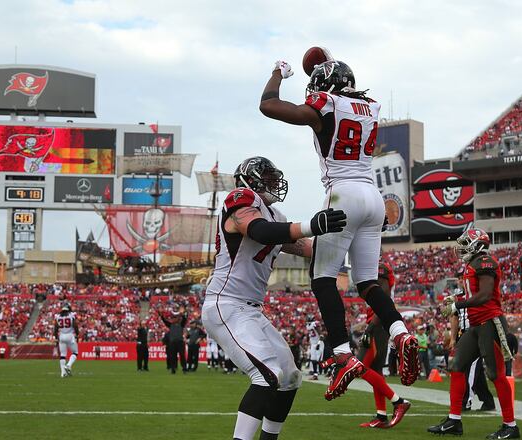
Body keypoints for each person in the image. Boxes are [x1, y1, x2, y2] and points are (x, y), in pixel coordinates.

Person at [259, 55, 419, 400]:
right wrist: (330, 65)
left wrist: (278, 73)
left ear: (327, 87)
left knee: (322, 278)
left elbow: (268, 105)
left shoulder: (326, 103)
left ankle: (343, 355)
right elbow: (342, 90)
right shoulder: (370, 106)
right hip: (373, 197)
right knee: (367, 282)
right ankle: (401, 332)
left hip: (342, 195)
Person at [201, 156, 347, 440]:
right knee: (267, 374)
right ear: (249, 179)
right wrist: (310, 225)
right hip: (226, 303)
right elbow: (259, 230)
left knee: (290, 378)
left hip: (252, 310)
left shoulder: (276, 216)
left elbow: (310, 248)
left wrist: (356, 236)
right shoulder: (240, 199)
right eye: (266, 178)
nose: (272, 183)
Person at [428, 228, 518, 439]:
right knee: (457, 366)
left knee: (496, 374)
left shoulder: (485, 262)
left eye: (467, 242)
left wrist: (458, 305)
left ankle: (511, 426)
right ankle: (454, 421)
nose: (462, 246)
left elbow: (485, 295)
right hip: (476, 325)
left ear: (478, 244)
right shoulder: (472, 263)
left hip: (490, 322)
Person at [357, 259, 411, 429]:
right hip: (378, 323)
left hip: (378, 324)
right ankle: (381, 415)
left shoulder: (380, 269)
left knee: (359, 368)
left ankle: (398, 401)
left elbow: (384, 299)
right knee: (375, 371)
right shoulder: (376, 268)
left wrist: (370, 328)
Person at [54, 301, 79, 378]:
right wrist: (77, 334)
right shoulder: (71, 315)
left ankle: (63, 373)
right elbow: (75, 325)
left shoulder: (57, 316)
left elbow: (55, 328)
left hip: (61, 336)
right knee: (75, 352)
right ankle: (68, 365)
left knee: (62, 355)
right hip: (70, 335)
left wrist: (56, 338)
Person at [160, 307, 187, 374]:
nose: (173, 319)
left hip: (180, 342)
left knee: (182, 356)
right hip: (172, 343)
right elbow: (165, 321)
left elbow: (184, 319)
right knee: (173, 356)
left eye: (174, 318)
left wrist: (182, 314)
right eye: (173, 318)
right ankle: (173, 369)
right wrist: (161, 315)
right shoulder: (170, 325)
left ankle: (184, 368)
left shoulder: (181, 324)